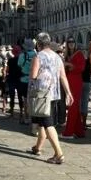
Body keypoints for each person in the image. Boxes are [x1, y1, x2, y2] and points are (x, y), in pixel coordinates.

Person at [28, 32, 73, 164]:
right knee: (42, 121)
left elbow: (33, 75)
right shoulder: (57, 57)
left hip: (41, 94)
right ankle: (38, 147)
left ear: (39, 43)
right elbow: (63, 76)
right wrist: (68, 93)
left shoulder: (38, 57)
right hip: (54, 94)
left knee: (48, 124)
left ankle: (58, 154)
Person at [62, 38, 86, 138]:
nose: (71, 44)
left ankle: (69, 131)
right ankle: (79, 131)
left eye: (73, 42)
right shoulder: (67, 55)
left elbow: (81, 68)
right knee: (74, 106)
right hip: (69, 81)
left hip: (76, 81)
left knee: (73, 105)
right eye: (69, 42)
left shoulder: (79, 54)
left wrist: (69, 65)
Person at [18, 39, 37, 123]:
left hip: (24, 80)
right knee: (33, 100)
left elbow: (19, 65)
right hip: (34, 80)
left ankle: (26, 117)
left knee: (25, 99)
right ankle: (32, 117)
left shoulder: (22, 55)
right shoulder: (36, 55)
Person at [6, 45, 25, 121]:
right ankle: (21, 112)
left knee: (12, 96)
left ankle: (12, 112)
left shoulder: (10, 60)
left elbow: (7, 70)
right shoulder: (21, 60)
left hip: (11, 79)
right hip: (20, 80)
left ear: (13, 52)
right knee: (20, 96)